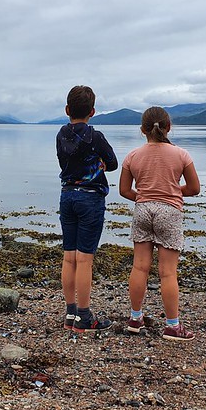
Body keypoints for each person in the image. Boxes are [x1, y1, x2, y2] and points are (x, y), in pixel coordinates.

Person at [118, 106, 201, 341]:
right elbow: (194, 188)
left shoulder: (133, 156)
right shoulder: (181, 155)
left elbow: (124, 190)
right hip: (169, 212)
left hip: (143, 210)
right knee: (167, 273)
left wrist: (146, 197)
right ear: (169, 127)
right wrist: (171, 192)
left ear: (142, 130)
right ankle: (172, 326)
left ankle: (135, 319)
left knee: (139, 267)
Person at [57, 85, 118, 334]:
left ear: (67, 110)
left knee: (68, 256)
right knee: (84, 259)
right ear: (92, 111)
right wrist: (99, 165)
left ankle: (70, 313)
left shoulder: (61, 134)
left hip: (67, 196)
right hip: (90, 198)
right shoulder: (95, 136)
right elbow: (113, 163)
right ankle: (83, 316)